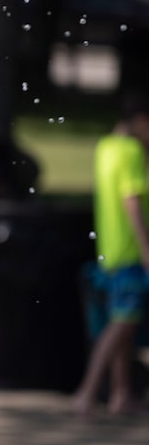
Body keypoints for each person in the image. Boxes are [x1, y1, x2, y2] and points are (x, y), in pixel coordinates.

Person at [72, 94, 149, 416]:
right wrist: (147, 251)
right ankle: (87, 393)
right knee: (120, 324)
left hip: (110, 248)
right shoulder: (132, 151)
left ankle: (121, 394)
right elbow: (131, 200)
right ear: (142, 120)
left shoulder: (106, 146)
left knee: (124, 323)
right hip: (131, 250)